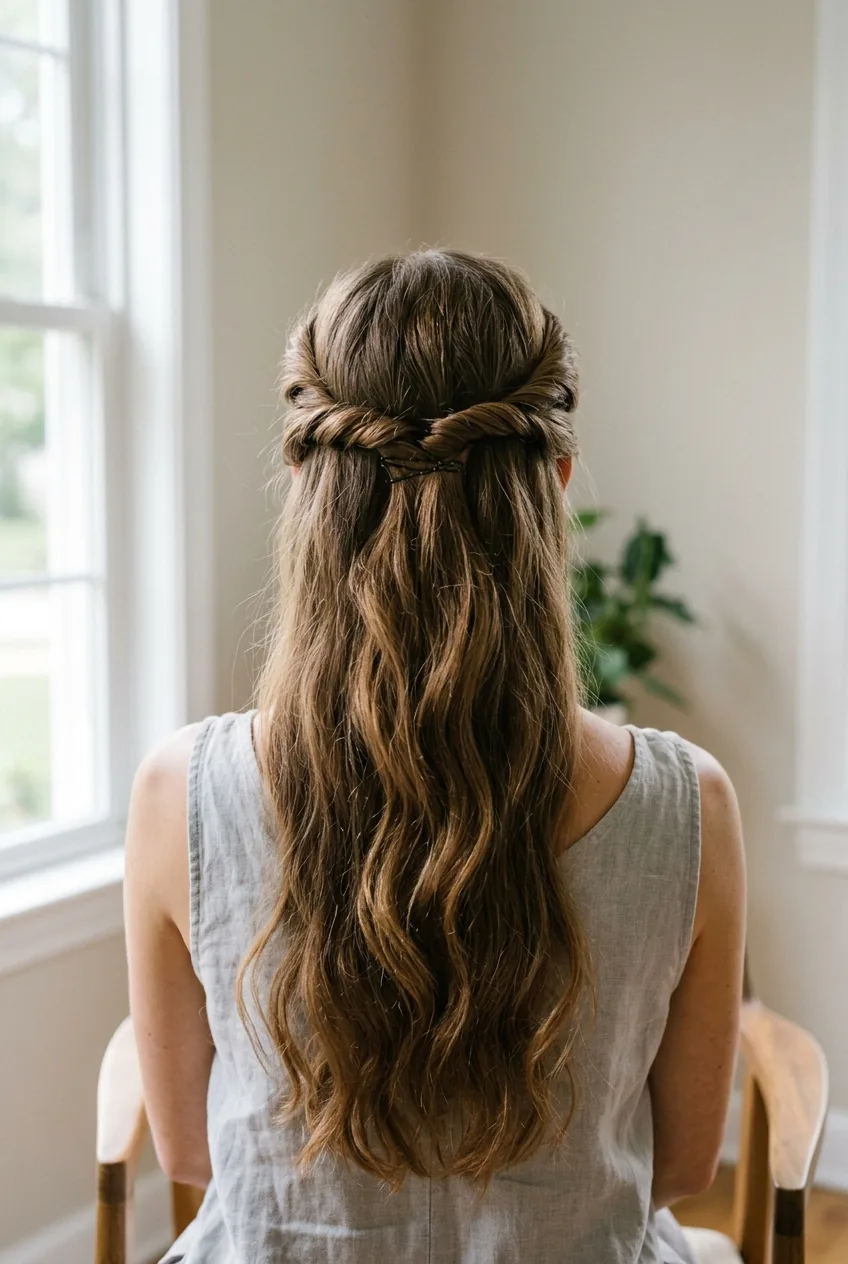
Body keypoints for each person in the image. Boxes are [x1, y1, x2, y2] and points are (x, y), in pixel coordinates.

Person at [125, 249, 746, 1264]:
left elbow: (192, 1154)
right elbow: (678, 1169)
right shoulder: (686, 805)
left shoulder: (178, 793)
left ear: (302, 477)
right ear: (553, 480)